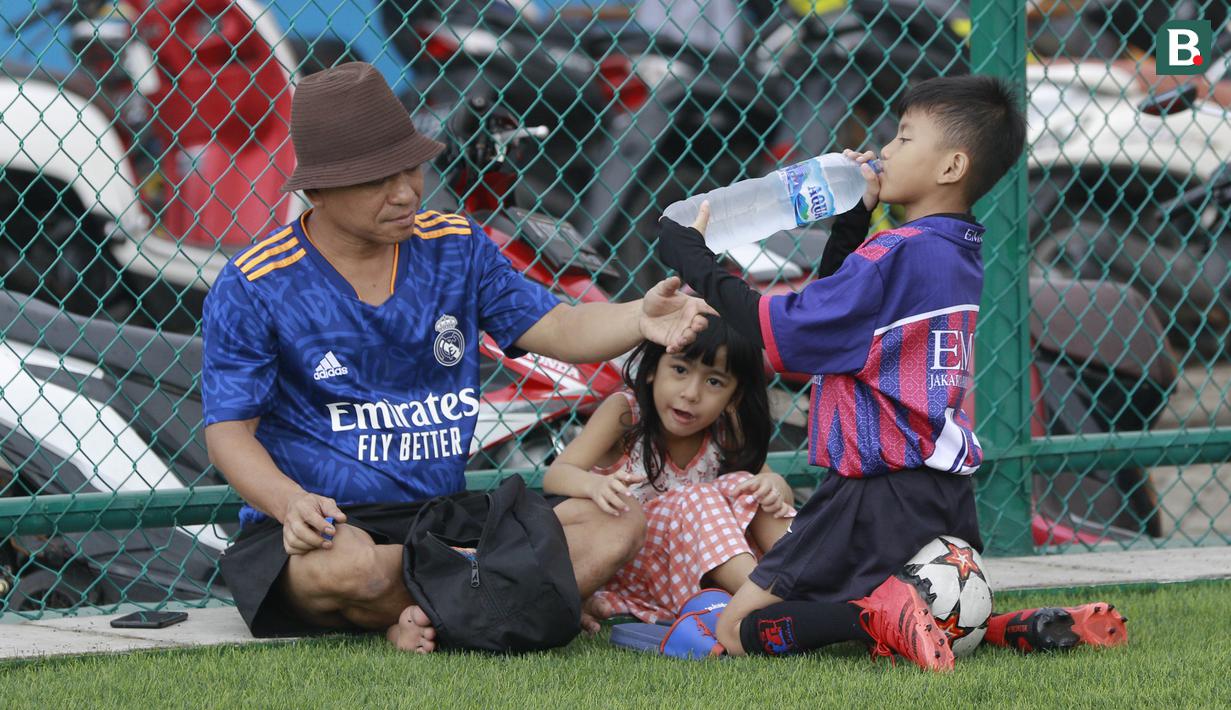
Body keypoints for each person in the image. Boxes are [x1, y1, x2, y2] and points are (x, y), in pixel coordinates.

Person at [202, 62, 714, 653]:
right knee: (347, 570)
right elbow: (229, 432)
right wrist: (289, 504)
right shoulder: (255, 282)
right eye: (376, 181)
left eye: (411, 169)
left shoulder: (455, 244)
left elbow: (558, 324)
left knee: (616, 524)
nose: (405, 193)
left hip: (440, 516)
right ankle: (502, 592)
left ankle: (432, 608)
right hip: (331, 523)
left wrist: (638, 318)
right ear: (316, 190)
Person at [657, 75, 1033, 670]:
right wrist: (854, 222)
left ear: (951, 165)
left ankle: (872, 620)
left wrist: (694, 259)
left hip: (872, 490)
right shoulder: (954, 250)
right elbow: (836, 321)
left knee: (737, 627)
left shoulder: (893, 254)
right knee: (868, 592)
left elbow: (784, 336)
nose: (884, 150)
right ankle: (1002, 626)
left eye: (905, 139)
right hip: (939, 493)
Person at [543, 318, 793, 624]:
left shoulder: (725, 429)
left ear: (734, 398)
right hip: (635, 561)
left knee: (750, 486)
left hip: (695, 569)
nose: (691, 393)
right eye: (680, 370)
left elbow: (777, 497)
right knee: (698, 498)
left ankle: (799, 580)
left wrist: (774, 485)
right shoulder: (625, 413)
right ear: (651, 370)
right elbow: (556, 474)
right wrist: (594, 486)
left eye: (714, 382)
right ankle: (768, 604)